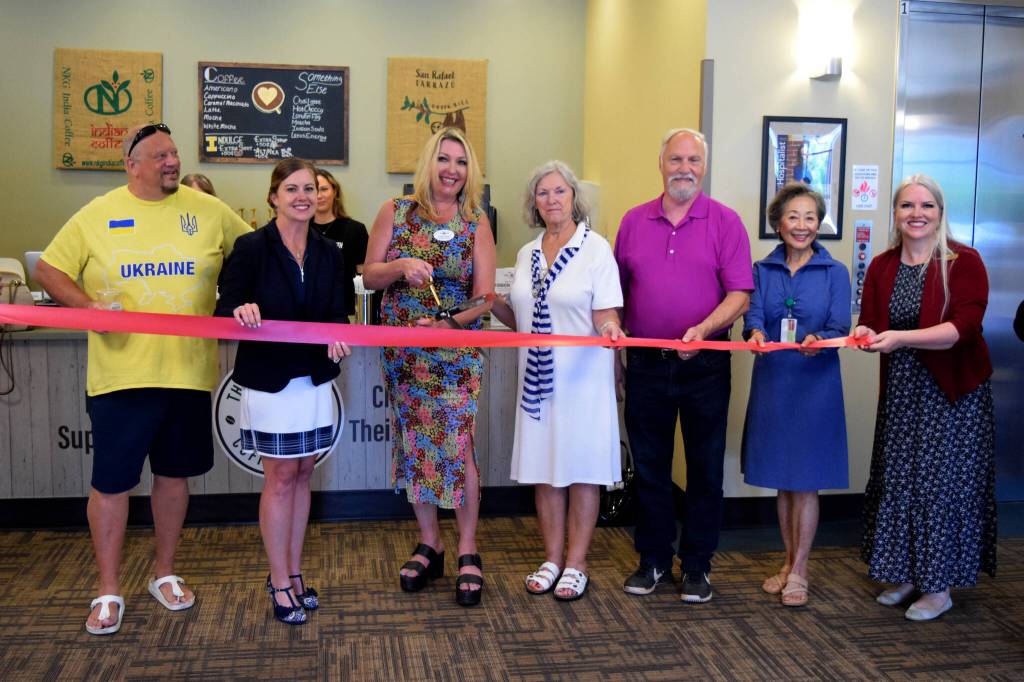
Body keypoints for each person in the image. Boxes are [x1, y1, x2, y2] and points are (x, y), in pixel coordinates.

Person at [33, 123, 251, 635]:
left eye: (174, 153)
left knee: (174, 478)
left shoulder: (208, 210)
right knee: (111, 484)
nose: (172, 161)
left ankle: (164, 573)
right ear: (132, 166)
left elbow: (256, 254)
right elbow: (48, 270)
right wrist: (88, 306)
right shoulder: (98, 213)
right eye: (159, 155)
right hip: (121, 375)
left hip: (188, 372)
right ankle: (108, 590)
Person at [614, 127, 753, 603]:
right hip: (647, 362)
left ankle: (697, 565)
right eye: (676, 159)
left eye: (694, 160)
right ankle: (653, 560)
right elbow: (615, 295)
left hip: (706, 365)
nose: (685, 169)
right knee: (651, 469)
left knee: (705, 470)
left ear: (704, 167)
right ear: (661, 163)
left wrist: (705, 329)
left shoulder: (725, 221)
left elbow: (739, 294)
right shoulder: (633, 221)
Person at [214, 158, 352, 624]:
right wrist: (241, 309)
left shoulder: (330, 252)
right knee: (280, 479)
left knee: (303, 474)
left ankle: (294, 573)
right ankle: (277, 579)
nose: (303, 197)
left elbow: (338, 313)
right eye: (291, 189)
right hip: (271, 383)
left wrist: (338, 335)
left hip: (313, 381)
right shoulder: (251, 247)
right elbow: (222, 311)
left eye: (309, 189)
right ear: (273, 197)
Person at [363, 127, 495, 607]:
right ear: (428, 163)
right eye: (444, 159)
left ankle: (466, 547)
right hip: (405, 353)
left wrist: (440, 323)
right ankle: (429, 541)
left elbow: (484, 299)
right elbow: (368, 273)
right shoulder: (394, 212)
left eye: (461, 162)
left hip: (455, 354)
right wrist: (401, 265)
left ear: (469, 171)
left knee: (457, 445)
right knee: (415, 441)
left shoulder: (475, 220)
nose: (451, 170)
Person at [855, 174, 996, 621]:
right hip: (902, 393)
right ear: (895, 214)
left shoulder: (964, 261)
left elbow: (961, 329)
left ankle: (939, 587)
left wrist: (900, 338)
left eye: (926, 206)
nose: (916, 214)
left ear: (940, 212)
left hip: (952, 396)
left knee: (940, 487)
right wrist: (864, 333)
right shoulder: (882, 264)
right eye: (907, 206)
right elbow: (872, 322)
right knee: (901, 482)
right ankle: (908, 574)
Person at [490, 161, 623, 601]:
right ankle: (551, 558)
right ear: (534, 203)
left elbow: (606, 314)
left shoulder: (596, 249)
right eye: (542, 193)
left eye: (559, 191)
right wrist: (489, 302)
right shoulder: (527, 253)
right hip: (537, 383)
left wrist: (609, 331)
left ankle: (577, 563)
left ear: (574, 197)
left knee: (582, 472)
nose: (551, 200)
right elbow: (520, 318)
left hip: (583, 381)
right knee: (545, 472)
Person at [741, 182, 851, 607]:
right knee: (785, 483)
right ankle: (787, 563)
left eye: (810, 217)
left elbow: (840, 326)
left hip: (815, 384)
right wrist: (754, 332)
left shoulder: (835, 272)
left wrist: (818, 337)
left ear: (818, 222)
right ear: (778, 223)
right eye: (793, 217)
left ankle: (801, 569)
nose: (802, 226)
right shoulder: (761, 269)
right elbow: (752, 315)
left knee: (806, 483)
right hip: (773, 380)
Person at [312, 168, 369, 318]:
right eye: (313, 189)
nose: (319, 195)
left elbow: (363, 275)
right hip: (307, 311)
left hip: (344, 311)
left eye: (324, 189)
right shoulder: (299, 229)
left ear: (335, 192)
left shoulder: (355, 229)